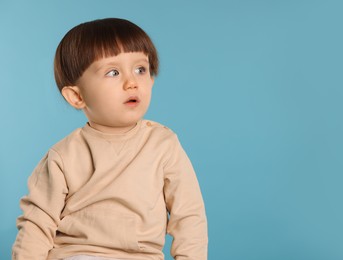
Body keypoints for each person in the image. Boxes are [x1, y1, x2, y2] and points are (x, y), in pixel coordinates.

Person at [12, 18, 208, 260]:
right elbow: (37, 224)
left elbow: (188, 215)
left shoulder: (163, 144)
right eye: (113, 72)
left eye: (141, 69)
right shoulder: (63, 156)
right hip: (79, 255)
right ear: (76, 96)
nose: (131, 82)